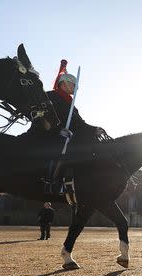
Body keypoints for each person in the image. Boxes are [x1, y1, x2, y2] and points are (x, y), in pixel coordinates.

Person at [47, 60, 106, 195]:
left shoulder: (71, 105)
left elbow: (80, 124)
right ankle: (51, 181)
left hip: (69, 136)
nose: (76, 88)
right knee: (61, 151)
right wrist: (58, 130)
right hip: (52, 134)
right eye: (74, 85)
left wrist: (93, 129)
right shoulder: (50, 96)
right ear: (65, 83)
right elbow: (45, 116)